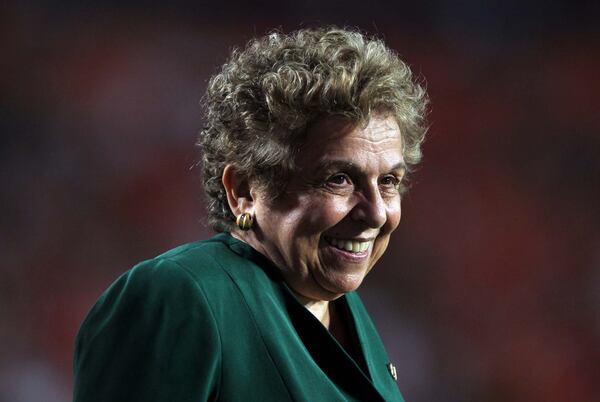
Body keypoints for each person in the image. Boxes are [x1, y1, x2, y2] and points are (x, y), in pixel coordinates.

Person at [73, 27, 428, 402]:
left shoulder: (342, 310)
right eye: (339, 179)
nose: (375, 213)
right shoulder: (179, 296)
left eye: (388, 180)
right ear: (243, 191)